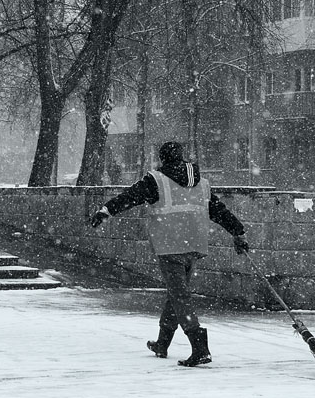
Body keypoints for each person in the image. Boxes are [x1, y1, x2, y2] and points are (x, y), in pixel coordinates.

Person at [89, 141, 250, 367]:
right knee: (177, 293)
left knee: (179, 296)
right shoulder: (201, 182)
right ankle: (162, 343)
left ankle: (200, 347)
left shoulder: (156, 180)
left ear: (162, 158)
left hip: (169, 246)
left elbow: (130, 196)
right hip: (194, 245)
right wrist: (237, 232)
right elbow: (218, 211)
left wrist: (106, 210)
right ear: (182, 157)